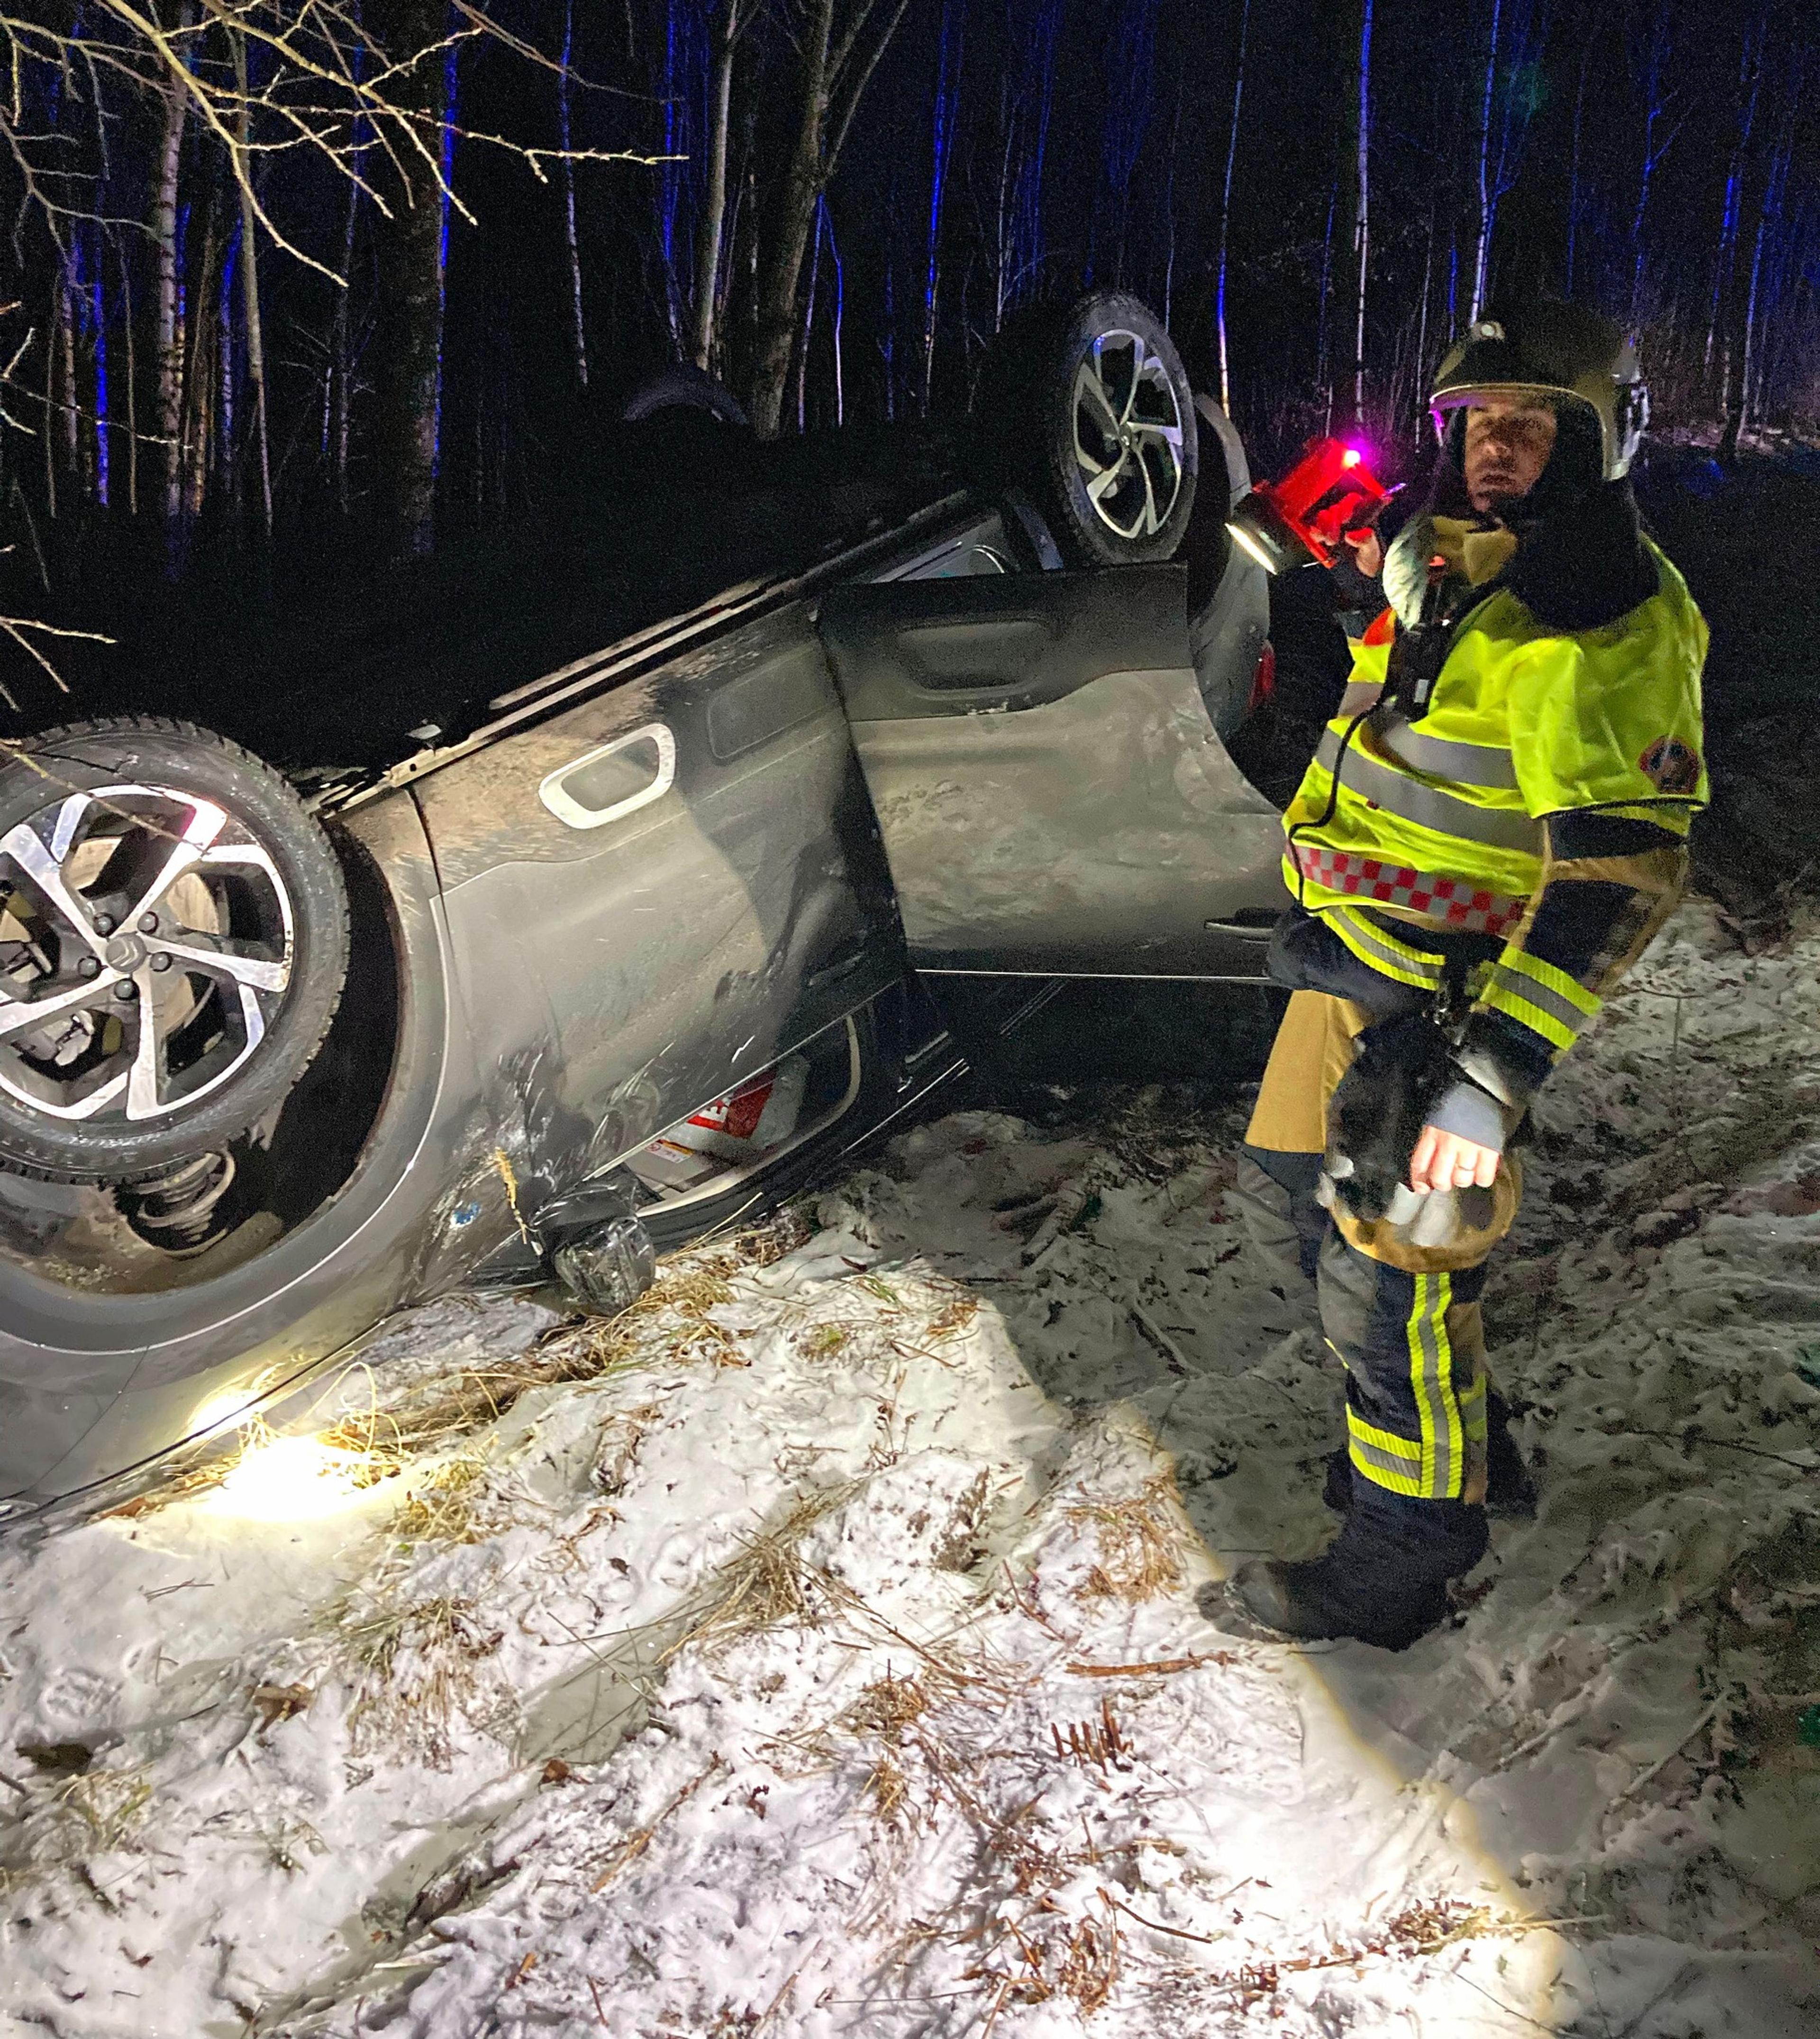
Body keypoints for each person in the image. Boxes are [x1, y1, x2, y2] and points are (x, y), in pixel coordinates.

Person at [1205, 301, 1709, 1651]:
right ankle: (1454, 1444)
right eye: (1478, 420)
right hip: (1352, 961)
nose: (1496, 444)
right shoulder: (1451, 561)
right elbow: (1411, 696)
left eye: (1535, 423)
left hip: (1449, 1008)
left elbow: (1621, 877)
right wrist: (1332, 567)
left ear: (1600, 440)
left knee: (1393, 1281)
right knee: (1295, 1201)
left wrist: (1492, 1077)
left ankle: (1404, 1555)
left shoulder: (1605, 617)